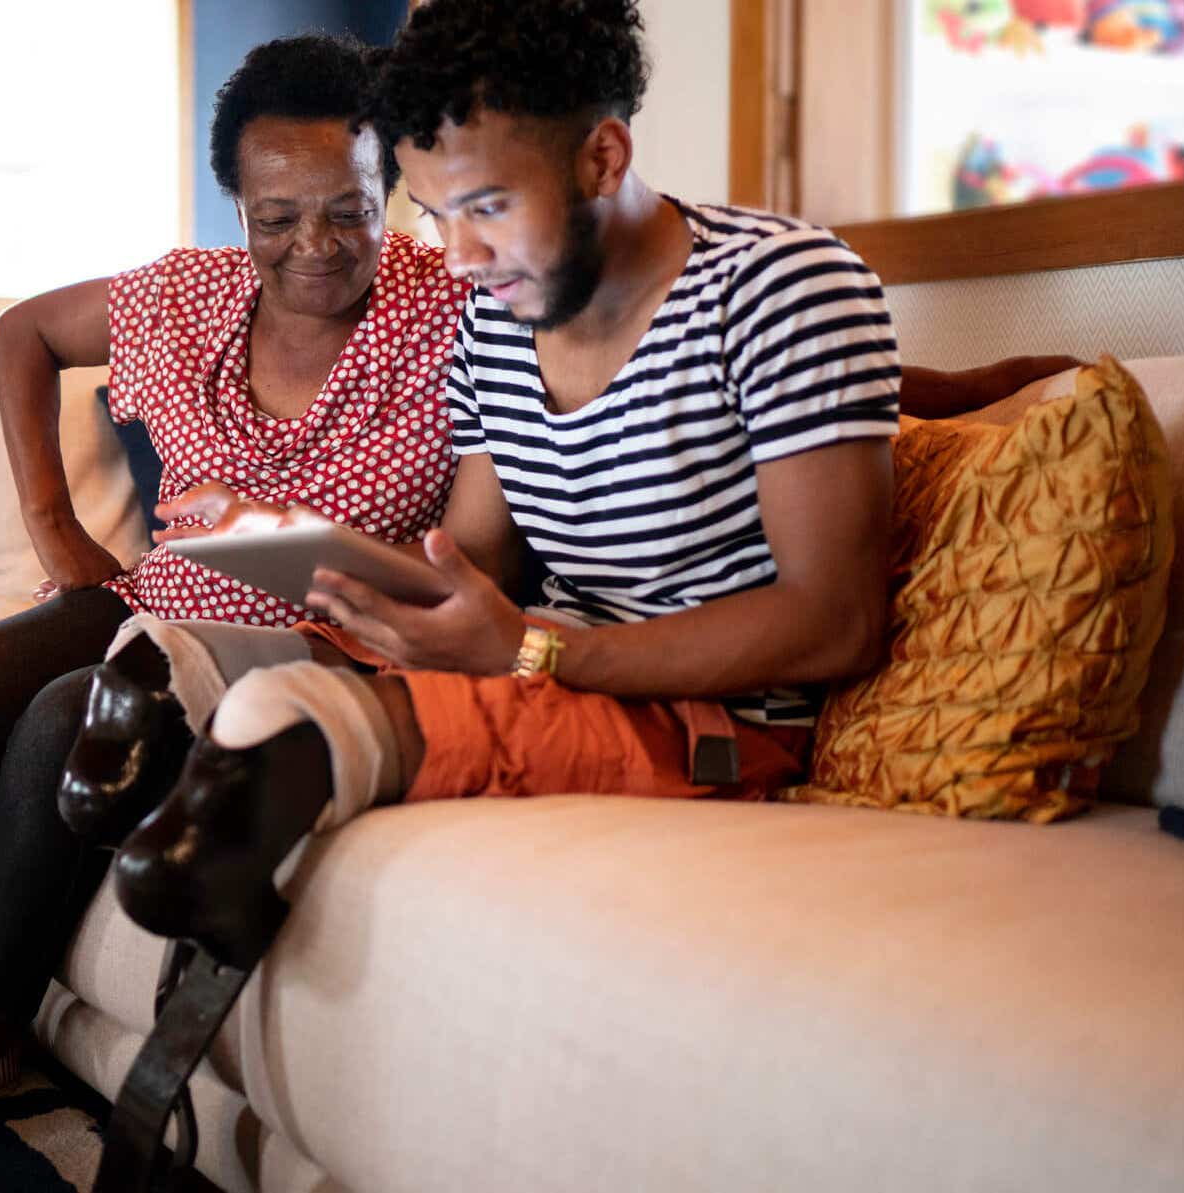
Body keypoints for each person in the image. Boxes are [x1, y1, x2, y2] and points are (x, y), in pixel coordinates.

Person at [107, 0, 909, 997]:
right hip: (550, 659)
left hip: (709, 714)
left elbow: (835, 623)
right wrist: (295, 545)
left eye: (484, 206)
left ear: (602, 159)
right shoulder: (496, 325)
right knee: (160, 660)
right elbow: (474, 562)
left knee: (277, 722)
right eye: (436, 215)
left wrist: (530, 649)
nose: (456, 258)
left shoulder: (781, 288)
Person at [0, 33, 474, 1143]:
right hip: (162, 592)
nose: (313, 246)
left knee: (60, 723)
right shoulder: (186, 298)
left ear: (392, 191)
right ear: (235, 205)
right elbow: (26, 330)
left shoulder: (453, 311)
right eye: (275, 218)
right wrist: (51, 523)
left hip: (319, 636)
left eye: (349, 210)